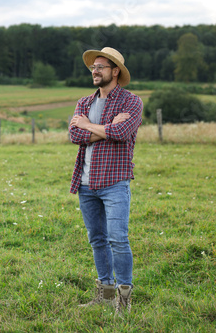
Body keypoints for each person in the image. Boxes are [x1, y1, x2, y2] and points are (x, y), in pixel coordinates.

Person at [68, 47, 143, 315]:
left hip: (114, 183)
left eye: (101, 67)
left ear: (115, 71)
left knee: (118, 240)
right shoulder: (84, 102)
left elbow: (122, 132)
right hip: (86, 184)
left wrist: (88, 126)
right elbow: (74, 137)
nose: (95, 71)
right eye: (93, 67)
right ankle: (105, 293)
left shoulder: (130, 102)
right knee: (97, 239)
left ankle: (124, 300)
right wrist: (103, 128)